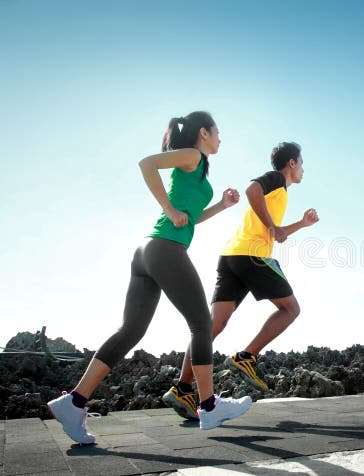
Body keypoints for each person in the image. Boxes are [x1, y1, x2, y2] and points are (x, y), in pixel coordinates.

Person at [47, 111, 253, 445]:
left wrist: (221, 206)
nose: (220, 138)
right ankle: (209, 405)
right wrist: (170, 211)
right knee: (202, 324)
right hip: (165, 249)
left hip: (149, 251)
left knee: (130, 331)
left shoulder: (196, 166)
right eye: (218, 132)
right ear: (203, 132)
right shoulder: (193, 155)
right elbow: (146, 163)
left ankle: (74, 402)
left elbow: (189, 220)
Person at [163, 141, 318, 420]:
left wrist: (301, 225)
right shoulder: (276, 180)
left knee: (212, 327)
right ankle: (247, 357)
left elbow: (276, 233)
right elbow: (251, 191)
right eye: (302, 163)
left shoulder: (278, 195)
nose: (303, 169)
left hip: (232, 255)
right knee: (291, 309)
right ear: (291, 163)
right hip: (252, 256)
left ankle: (182, 388)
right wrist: (272, 226)